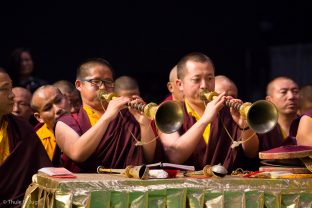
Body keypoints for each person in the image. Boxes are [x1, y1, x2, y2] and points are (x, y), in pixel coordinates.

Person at [156, 52, 259, 172]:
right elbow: (174, 156)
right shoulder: (169, 114)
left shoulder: (228, 111)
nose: (204, 85)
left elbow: (251, 153)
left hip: (228, 186)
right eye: (196, 79)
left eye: (210, 78)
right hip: (186, 187)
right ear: (180, 84)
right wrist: (205, 119)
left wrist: (245, 127)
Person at [54, 58, 156, 173]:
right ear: (79, 85)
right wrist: (107, 117)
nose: (102, 87)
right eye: (96, 81)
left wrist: (144, 123)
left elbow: (148, 158)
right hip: (86, 189)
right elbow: (78, 154)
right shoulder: (67, 122)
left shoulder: (126, 116)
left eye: (108, 82)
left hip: (128, 186)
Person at [0, 68, 51, 206]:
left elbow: (43, 171)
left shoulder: (21, 128)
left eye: (11, 88)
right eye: (5, 89)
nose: (12, 96)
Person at [31, 85, 69, 163]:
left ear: (66, 98)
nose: (57, 109)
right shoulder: (37, 142)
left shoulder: (87, 120)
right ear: (39, 117)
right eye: (48, 108)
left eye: (58, 101)